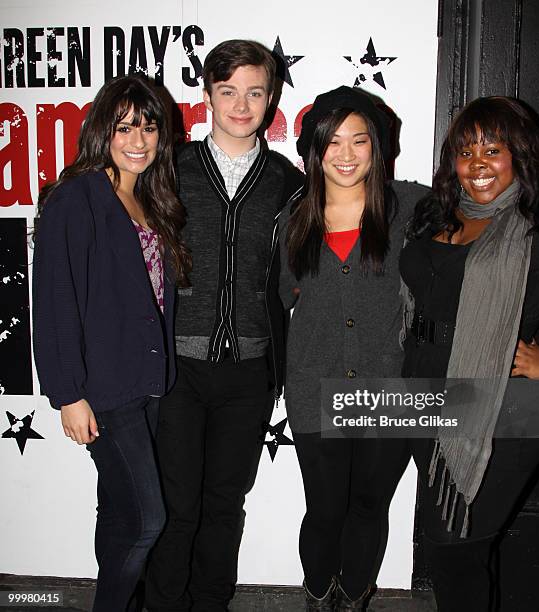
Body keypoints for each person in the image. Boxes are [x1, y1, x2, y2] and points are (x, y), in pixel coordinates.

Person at [145, 40, 303, 612]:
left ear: (271, 98)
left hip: (249, 371)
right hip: (176, 369)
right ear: (207, 95)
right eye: (228, 91)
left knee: (224, 503)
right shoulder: (173, 167)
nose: (241, 104)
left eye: (254, 92)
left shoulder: (286, 179)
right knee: (176, 504)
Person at [400, 96, 539, 611]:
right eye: (465, 150)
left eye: (493, 150)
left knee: (454, 551)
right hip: (427, 394)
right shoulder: (439, 214)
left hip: (510, 407)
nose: (478, 163)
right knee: (451, 549)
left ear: (519, 154)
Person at [32, 75, 192, 612]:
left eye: (149, 128)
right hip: (103, 388)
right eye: (125, 127)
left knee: (121, 513)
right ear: (103, 130)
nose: (139, 140)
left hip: (147, 383)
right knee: (148, 518)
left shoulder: (146, 196)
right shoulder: (76, 198)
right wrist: (68, 394)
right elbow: (55, 302)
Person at [270, 86, 428, 611]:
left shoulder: (413, 206)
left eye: (358, 141)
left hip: (392, 386)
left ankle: (355, 596)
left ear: (378, 147)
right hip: (316, 386)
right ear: (313, 150)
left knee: (368, 505)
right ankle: (318, 595)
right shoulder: (292, 218)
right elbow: (276, 296)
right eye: (332, 141)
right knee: (325, 509)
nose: (345, 154)